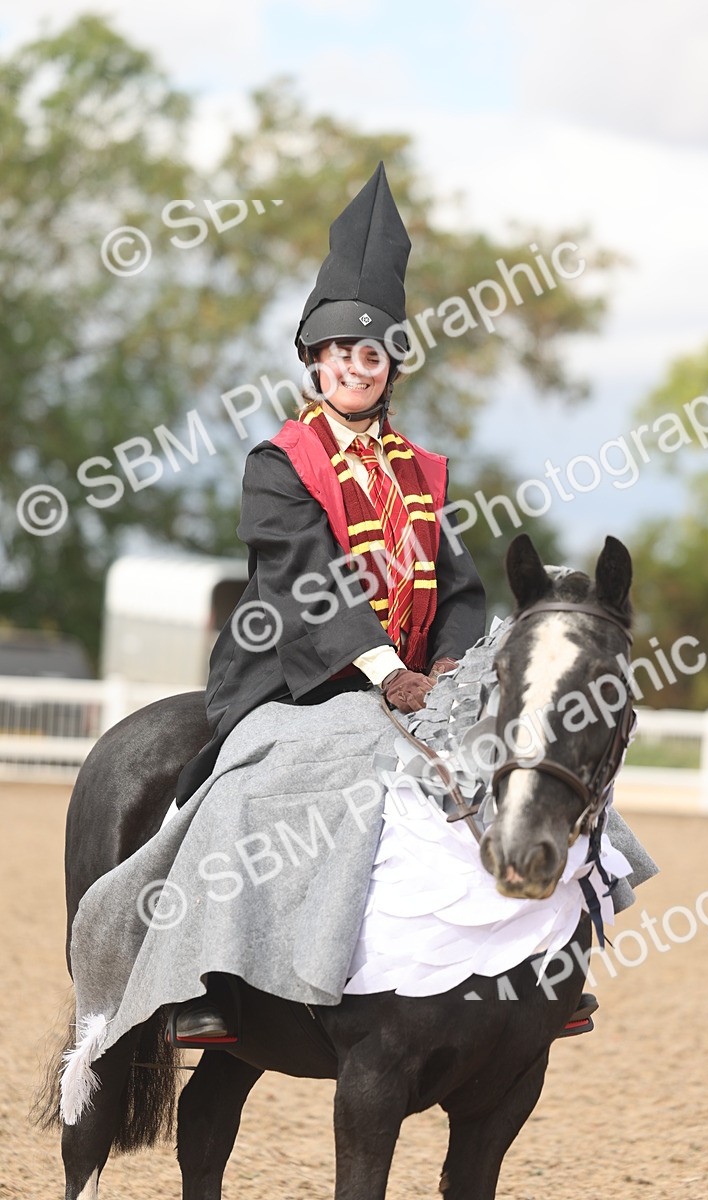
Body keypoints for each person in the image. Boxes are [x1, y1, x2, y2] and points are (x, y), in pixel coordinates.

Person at [172, 163, 488, 1039]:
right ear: (314, 361)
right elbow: (312, 580)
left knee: (513, 775)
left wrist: (452, 671)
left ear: (389, 368)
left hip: (415, 687)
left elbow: (461, 587)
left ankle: (523, 966)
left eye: (371, 353)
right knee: (243, 794)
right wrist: (388, 673)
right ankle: (199, 980)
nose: (354, 365)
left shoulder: (424, 471)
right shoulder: (278, 464)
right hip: (290, 677)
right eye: (339, 352)